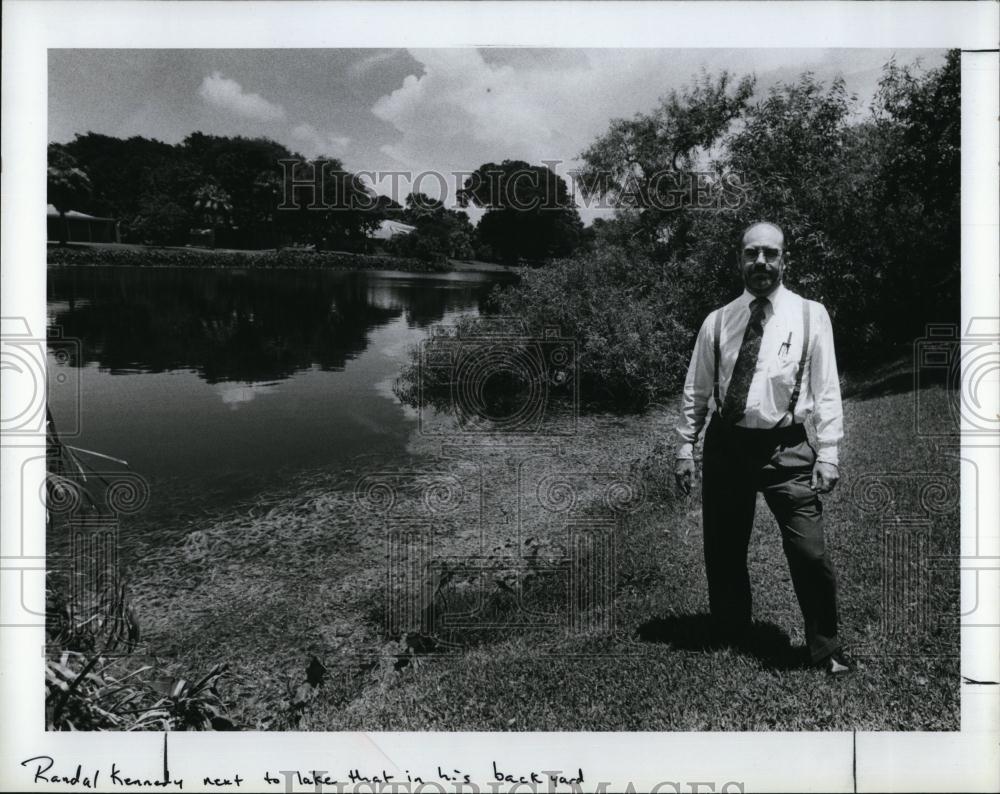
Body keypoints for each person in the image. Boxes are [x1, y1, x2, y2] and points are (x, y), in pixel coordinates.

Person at [674, 221, 852, 675]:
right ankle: (732, 630)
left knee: (809, 552)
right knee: (724, 547)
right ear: (739, 259)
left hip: (787, 448)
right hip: (727, 446)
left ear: (784, 259)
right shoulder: (717, 321)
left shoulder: (812, 315)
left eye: (770, 254)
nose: (761, 263)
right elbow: (696, 391)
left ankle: (824, 648)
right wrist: (684, 447)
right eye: (752, 253)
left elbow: (827, 389)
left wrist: (828, 453)